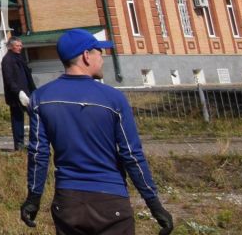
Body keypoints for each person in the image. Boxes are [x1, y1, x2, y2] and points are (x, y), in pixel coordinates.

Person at [21, 29, 173, 235]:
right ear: (86, 55)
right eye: (99, 51)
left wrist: (33, 198)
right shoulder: (113, 99)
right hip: (110, 202)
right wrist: (154, 204)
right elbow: (132, 155)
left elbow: (39, 153)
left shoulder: (41, 98)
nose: (102, 57)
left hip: (68, 202)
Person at [2, 37, 35, 150]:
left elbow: (27, 76)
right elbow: (9, 79)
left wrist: (33, 90)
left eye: (21, 45)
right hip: (16, 96)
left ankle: (33, 141)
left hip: (27, 92)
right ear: (11, 46)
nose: (20, 47)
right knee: (17, 119)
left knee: (34, 115)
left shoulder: (19, 57)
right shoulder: (7, 60)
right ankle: (19, 144)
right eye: (18, 46)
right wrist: (19, 92)